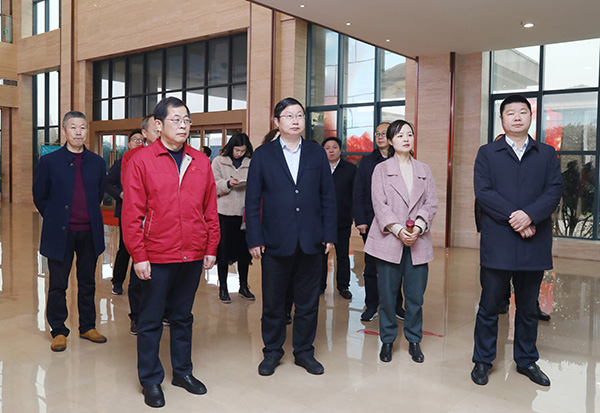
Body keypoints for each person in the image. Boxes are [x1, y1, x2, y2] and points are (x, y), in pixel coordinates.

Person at [122, 97, 220, 408]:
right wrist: (139, 255)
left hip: (192, 253)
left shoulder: (199, 160)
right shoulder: (142, 160)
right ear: (158, 125)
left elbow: (210, 208)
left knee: (182, 317)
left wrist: (211, 246)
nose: (183, 126)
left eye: (187, 120)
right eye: (176, 120)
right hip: (157, 254)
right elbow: (132, 213)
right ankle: (151, 379)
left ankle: (182, 372)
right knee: (151, 319)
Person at [471, 94, 562, 387]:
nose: (517, 117)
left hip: (534, 242)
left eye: (523, 112)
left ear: (530, 117)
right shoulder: (488, 153)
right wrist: (517, 218)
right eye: (510, 113)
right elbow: (484, 192)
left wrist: (530, 216)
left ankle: (526, 360)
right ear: (502, 119)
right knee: (489, 305)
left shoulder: (546, 153)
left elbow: (553, 191)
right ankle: (483, 360)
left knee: (528, 307)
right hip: (499, 242)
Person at [245, 97, 337, 376]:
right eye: (288, 116)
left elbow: (328, 196)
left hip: (312, 241)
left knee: (308, 303)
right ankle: (272, 352)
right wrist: (254, 238)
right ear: (277, 122)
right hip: (275, 241)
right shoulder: (263, 154)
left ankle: (304, 352)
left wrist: (329, 234)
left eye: (299, 115)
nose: (295, 120)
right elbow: (252, 199)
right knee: (273, 303)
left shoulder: (316, 153)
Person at [364, 120, 438, 364]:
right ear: (390, 141)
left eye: (409, 134)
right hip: (389, 240)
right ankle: (387, 340)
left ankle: (414, 340)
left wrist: (418, 227)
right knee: (387, 296)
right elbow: (379, 204)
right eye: (399, 135)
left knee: (415, 297)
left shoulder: (424, 169)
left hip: (418, 240)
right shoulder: (381, 169)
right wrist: (398, 230)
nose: (406, 139)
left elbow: (431, 203)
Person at [33, 111, 107, 352]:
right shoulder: (49, 162)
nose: (78, 132)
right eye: (73, 127)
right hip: (60, 233)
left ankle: (87, 326)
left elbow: (98, 194)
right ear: (64, 131)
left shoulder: (97, 162)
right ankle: (58, 330)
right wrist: (55, 217)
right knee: (58, 285)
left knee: (87, 283)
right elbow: (40, 196)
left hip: (89, 232)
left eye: (82, 127)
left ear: (87, 131)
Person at [354, 122, 405, 321]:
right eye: (377, 134)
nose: (380, 137)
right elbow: (358, 192)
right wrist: (360, 220)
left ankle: (396, 305)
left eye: (384, 133)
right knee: (371, 267)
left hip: (397, 222)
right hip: (372, 221)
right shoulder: (367, 162)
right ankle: (372, 305)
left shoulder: (402, 159)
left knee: (396, 265)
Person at [105, 129, 144, 335]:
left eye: (141, 139)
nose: (138, 142)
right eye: (134, 139)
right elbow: (107, 182)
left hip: (145, 213)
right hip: (126, 210)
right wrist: (120, 193)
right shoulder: (122, 162)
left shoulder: (147, 159)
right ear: (128, 143)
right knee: (125, 248)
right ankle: (117, 281)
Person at [211, 132, 254, 303]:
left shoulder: (251, 162)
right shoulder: (218, 161)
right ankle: (223, 287)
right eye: (237, 150)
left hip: (244, 213)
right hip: (224, 213)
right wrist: (228, 184)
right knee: (223, 251)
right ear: (231, 148)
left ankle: (243, 286)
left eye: (242, 151)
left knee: (244, 252)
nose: (239, 154)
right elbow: (212, 186)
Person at [320, 136, 357, 299]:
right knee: (321, 255)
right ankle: (320, 285)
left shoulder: (350, 169)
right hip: (321, 220)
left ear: (340, 150)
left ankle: (343, 286)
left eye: (334, 147)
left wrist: (354, 215)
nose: (331, 151)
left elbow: (355, 194)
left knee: (342, 255)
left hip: (342, 219)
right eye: (327, 148)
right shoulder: (318, 168)